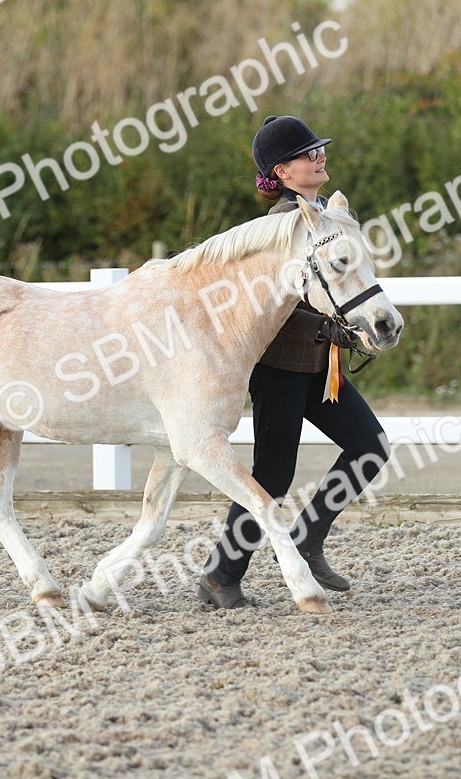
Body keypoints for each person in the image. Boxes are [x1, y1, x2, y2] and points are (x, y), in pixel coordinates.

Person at [197, 115, 390, 610]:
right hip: (280, 366)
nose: (319, 157)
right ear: (282, 172)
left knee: (369, 445)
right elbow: (265, 305)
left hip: (321, 366)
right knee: (273, 475)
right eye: (308, 154)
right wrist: (335, 329)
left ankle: (309, 536)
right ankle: (221, 575)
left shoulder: (327, 216)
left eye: (319, 150)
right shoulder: (273, 229)